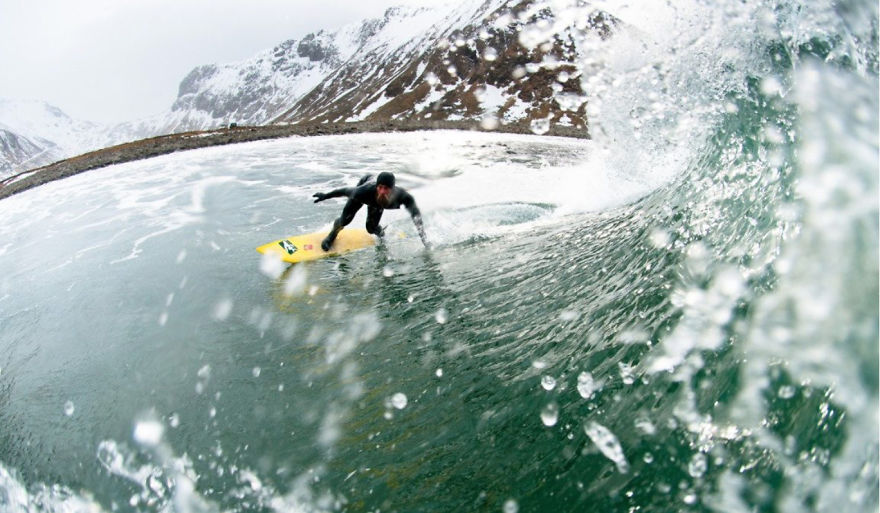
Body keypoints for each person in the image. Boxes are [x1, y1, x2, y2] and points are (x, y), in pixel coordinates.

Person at [312, 172, 429, 251]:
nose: (382, 191)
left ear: (392, 189)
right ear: (377, 186)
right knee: (345, 220)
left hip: (376, 203)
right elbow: (343, 191)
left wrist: (424, 240)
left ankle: (379, 230)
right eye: (380, 187)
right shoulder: (362, 191)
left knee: (370, 228)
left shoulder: (403, 197)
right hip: (366, 186)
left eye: (386, 188)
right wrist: (325, 196)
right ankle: (332, 235)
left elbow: (416, 216)